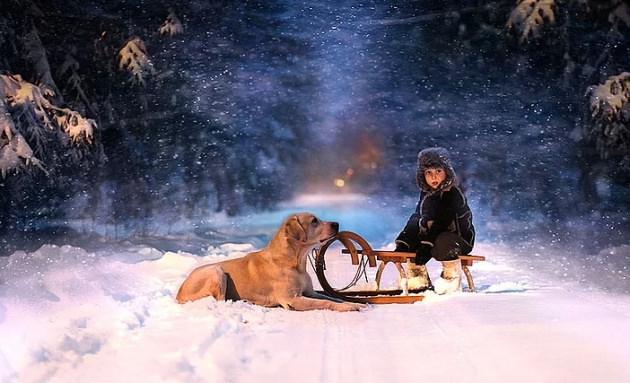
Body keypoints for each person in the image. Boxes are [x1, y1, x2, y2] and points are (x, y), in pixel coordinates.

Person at [395, 147, 475, 294]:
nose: (434, 177)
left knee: (443, 240)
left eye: (438, 171)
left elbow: (443, 221)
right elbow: (417, 218)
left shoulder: (452, 193)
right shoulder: (426, 195)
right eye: (428, 173)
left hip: (458, 240)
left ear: (447, 173)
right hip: (434, 237)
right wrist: (404, 242)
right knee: (414, 241)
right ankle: (418, 280)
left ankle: (450, 279)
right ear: (422, 176)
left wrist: (427, 245)